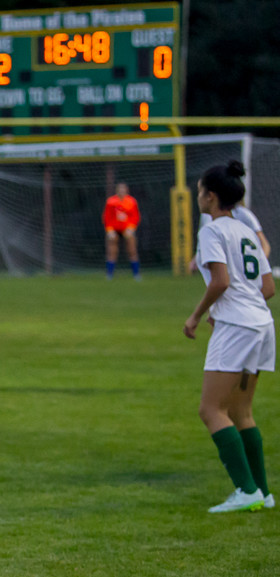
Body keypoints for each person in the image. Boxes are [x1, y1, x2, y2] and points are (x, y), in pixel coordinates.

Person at [183, 160, 275, 513]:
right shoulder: (246, 230)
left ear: (211, 196)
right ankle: (262, 493)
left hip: (237, 327)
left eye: (200, 191)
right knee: (241, 410)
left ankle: (246, 490)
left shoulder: (212, 230)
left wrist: (197, 315)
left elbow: (220, 282)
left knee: (211, 410)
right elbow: (267, 288)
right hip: (262, 325)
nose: (198, 196)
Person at [190, 203, 271, 273]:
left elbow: (264, 244)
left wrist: (259, 265)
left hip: (239, 269)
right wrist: (197, 257)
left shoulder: (242, 213)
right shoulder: (206, 215)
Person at [102, 182, 141, 279]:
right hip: (114, 229)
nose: (121, 191)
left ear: (127, 190)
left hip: (127, 229)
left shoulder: (131, 201)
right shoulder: (111, 201)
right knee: (112, 251)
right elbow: (107, 217)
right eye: (120, 189)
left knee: (132, 250)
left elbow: (135, 217)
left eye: (123, 189)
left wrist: (131, 228)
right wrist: (109, 230)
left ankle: (136, 275)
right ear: (117, 190)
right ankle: (109, 274)